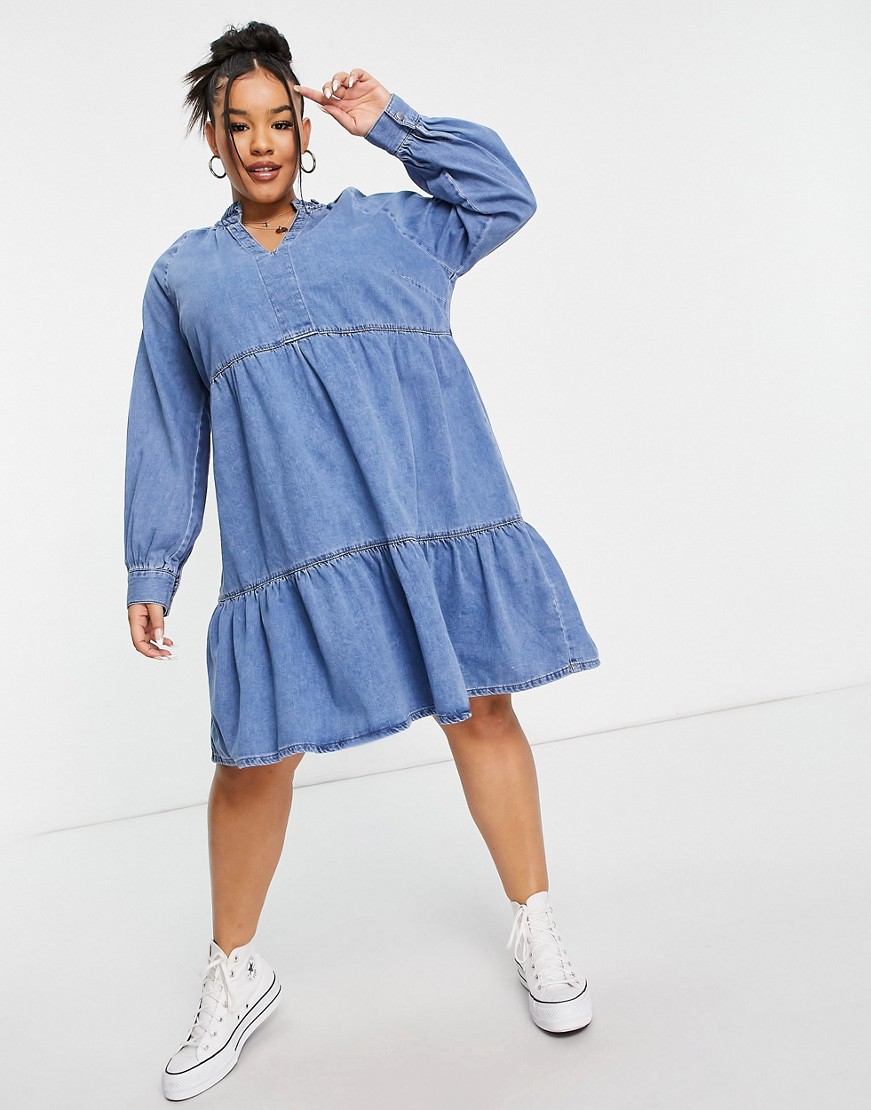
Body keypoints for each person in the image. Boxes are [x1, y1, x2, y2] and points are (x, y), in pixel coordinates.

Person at [124, 20, 601, 1102]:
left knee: (484, 709)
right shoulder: (185, 276)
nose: (262, 143)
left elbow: (503, 197)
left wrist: (393, 123)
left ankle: (534, 922)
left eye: (279, 121)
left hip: (433, 518)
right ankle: (235, 972)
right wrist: (152, 566)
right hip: (294, 551)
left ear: (303, 131)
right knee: (254, 757)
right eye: (239, 124)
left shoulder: (394, 229)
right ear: (213, 137)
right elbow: (166, 426)